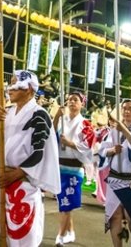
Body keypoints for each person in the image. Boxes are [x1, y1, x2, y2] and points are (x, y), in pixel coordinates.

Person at [0, 70, 61, 247]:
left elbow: (39, 153)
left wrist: (13, 174)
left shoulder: (40, 114)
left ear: (28, 89)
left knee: (20, 242)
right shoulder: (8, 112)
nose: (9, 88)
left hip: (23, 185)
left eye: (15, 84)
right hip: (0, 183)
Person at [99, 99, 131, 247]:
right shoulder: (114, 131)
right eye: (124, 108)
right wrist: (111, 150)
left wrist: (124, 131)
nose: (127, 111)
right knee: (114, 216)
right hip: (115, 178)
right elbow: (102, 150)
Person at [53, 91, 95, 245]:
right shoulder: (62, 120)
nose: (71, 102)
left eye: (75, 100)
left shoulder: (85, 124)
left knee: (66, 205)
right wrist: (56, 117)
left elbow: (88, 146)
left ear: (82, 104)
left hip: (74, 168)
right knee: (65, 203)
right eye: (70, 99)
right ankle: (70, 232)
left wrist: (70, 143)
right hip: (59, 166)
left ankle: (60, 236)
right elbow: (50, 136)